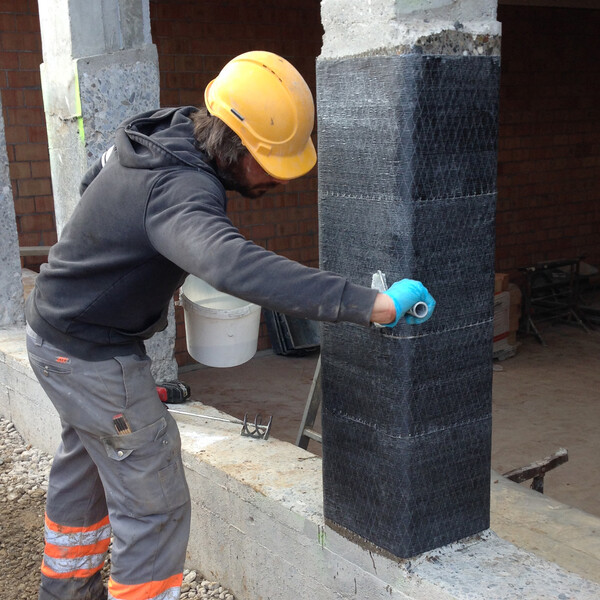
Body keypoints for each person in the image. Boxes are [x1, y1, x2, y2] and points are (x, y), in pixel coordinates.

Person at [25, 51, 436, 600]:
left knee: (88, 464)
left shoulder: (165, 132)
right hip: (90, 354)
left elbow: (91, 179)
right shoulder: (182, 190)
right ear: (235, 145)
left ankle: (64, 593)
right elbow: (232, 265)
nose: (280, 177)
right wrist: (371, 304)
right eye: (272, 160)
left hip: (56, 332)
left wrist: (129, 257)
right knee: (154, 500)